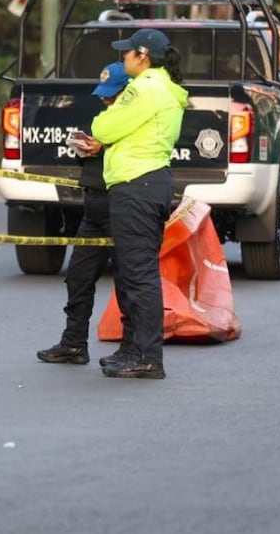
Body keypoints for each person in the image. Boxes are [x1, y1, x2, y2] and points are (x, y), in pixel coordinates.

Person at [91, 28, 188, 379]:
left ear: (143, 56)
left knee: (139, 275)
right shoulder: (161, 87)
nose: (123, 58)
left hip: (138, 185)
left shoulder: (145, 88)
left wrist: (103, 123)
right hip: (146, 184)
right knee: (130, 273)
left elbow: (103, 128)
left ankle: (147, 355)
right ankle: (133, 349)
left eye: (127, 53)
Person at [36, 62, 131, 366]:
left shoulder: (134, 119)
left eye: (112, 93)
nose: (105, 99)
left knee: (129, 282)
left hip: (122, 206)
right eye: (103, 93)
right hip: (93, 206)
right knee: (78, 276)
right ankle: (74, 343)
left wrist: (103, 148)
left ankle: (132, 348)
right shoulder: (104, 119)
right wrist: (86, 149)